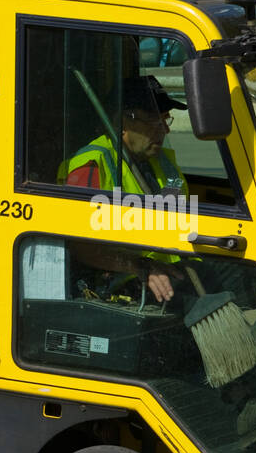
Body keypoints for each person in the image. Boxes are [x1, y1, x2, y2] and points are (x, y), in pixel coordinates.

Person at [62, 75, 187, 302]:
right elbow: (80, 246)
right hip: (125, 280)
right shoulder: (92, 165)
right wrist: (140, 266)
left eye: (165, 120)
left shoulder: (164, 164)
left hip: (172, 267)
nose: (163, 131)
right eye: (153, 122)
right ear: (122, 123)